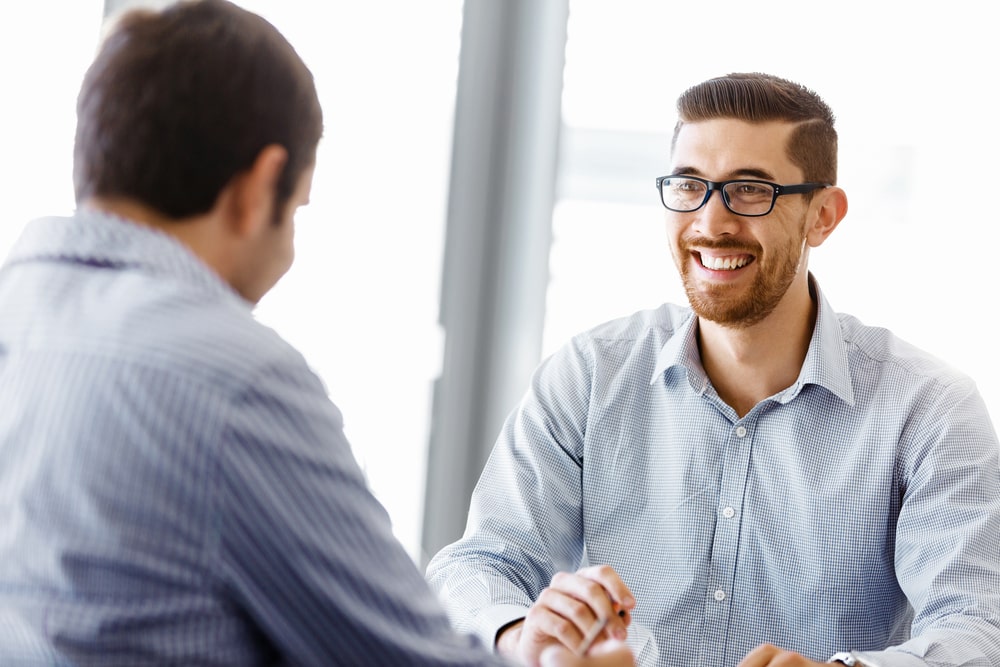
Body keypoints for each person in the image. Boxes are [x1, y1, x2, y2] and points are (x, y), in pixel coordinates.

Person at [0, 2, 637, 666]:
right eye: (297, 210)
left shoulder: (19, 310)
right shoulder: (231, 377)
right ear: (260, 185)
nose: (290, 250)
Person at [425, 72, 1000, 667]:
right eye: (689, 185)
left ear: (823, 216)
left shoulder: (930, 409)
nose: (711, 221)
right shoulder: (591, 373)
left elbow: (979, 628)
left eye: (750, 190)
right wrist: (523, 635)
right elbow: (479, 564)